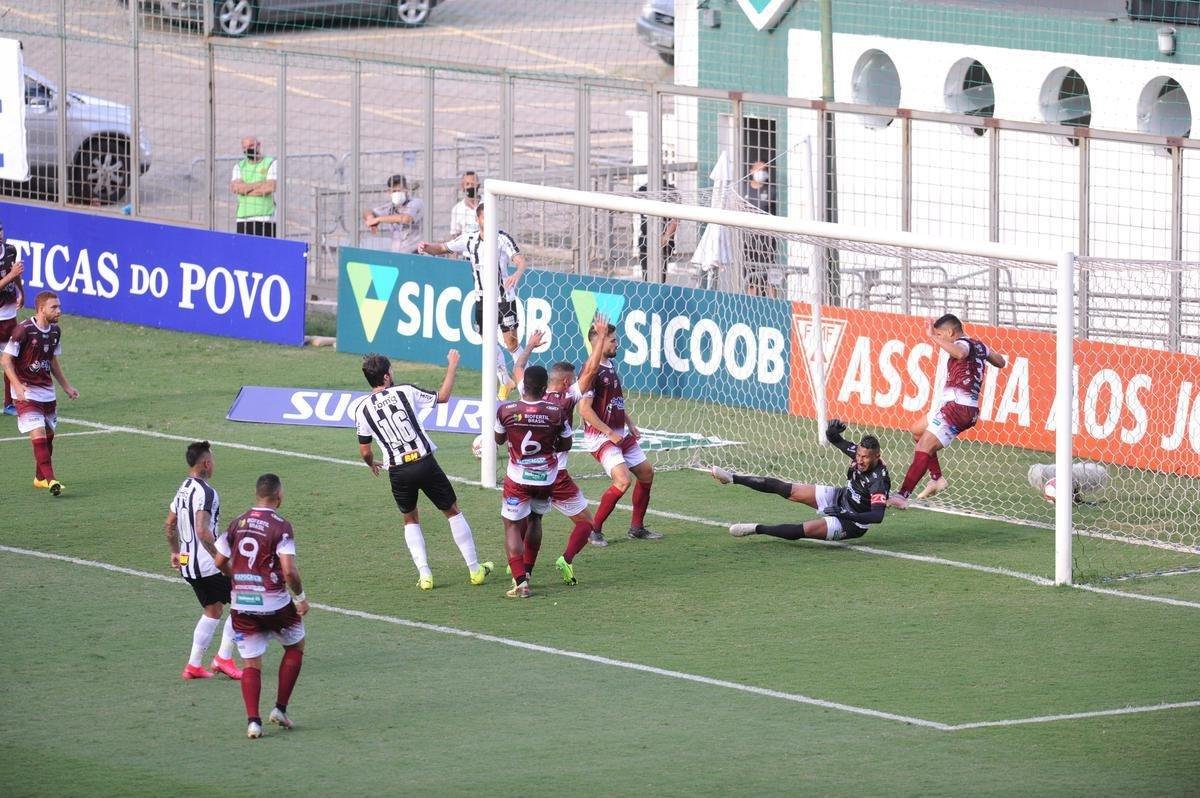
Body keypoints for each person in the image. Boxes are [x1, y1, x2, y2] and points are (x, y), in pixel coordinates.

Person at [355, 350, 492, 590]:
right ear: (386, 376)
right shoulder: (405, 391)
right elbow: (444, 396)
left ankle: (425, 575)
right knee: (452, 512)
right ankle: (474, 569)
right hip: (424, 462)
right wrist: (452, 365)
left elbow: (365, 451)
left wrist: (371, 464)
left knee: (410, 519)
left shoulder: (362, 409)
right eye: (392, 371)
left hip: (398, 470)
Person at [507, 314, 609, 586]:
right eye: (572, 379)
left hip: (524, 471)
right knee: (587, 523)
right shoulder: (566, 399)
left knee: (526, 519)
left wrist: (529, 346)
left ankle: (521, 570)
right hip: (556, 473)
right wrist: (598, 338)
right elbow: (592, 371)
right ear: (566, 383)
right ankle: (566, 559)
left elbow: (518, 367)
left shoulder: (527, 392)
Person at [213, 474, 308, 739]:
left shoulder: (236, 523)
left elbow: (220, 561)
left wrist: (237, 577)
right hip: (275, 603)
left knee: (251, 664)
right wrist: (300, 598)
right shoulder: (281, 526)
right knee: (295, 646)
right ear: (279, 496)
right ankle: (280, 708)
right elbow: (289, 571)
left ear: (257, 494)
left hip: (242, 604)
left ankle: (253, 722)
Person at [495, 365, 595, 598]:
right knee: (536, 519)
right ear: (543, 387)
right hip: (547, 477)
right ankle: (527, 571)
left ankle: (520, 581)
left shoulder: (506, 409)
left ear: (524, 387)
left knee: (511, 525)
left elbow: (499, 439)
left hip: (518, 477)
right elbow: (566, 444)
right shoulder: (556, 411)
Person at [888, 314, 1007, 508]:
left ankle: (901, 496)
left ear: (950, 332)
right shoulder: (980, 345)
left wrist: (932, 337)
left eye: (941, 334)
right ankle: (936, 479)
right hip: (955, 405)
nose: (939, 338)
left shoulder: (963, 344)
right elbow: (1001, 362)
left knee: (923, 447)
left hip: (957, 407)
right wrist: (984, 353)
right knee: (917, 431)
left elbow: (960, 353)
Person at [714, 419, 891, 542]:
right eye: (859, 455)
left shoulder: (878, 481)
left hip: (853, 522)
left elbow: (877, 515)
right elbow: (836, 440)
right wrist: (831, 431)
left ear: (877, 457)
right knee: (787, 489)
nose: (860, 460)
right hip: (840, 497)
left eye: (865, 458)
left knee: (804, 530)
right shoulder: (858, 454)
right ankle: (731, 478)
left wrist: (847, 514)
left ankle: (756, 528)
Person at [418, 203, 528, 397]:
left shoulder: (502, 239)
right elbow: (443, 247)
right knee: (488, 342)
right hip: (482, 299)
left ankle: (525, 386)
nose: (489, 220)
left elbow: (520, 260)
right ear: (478, 220)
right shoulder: (469, 239)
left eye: (492, 216)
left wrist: (517, 273)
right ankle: (506, 380)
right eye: (485, 217)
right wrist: (427, 247)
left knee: (510, 343)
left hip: (504, 298)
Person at [164, 441, 242, 681]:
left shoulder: (183, 488)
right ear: (206, 463)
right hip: (208, 565)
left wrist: (175, 551)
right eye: (213, 459)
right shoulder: (206, 492)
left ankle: (194, 665)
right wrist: (220, 557)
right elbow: (202, 530)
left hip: (188, 565)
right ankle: (223, 658)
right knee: (245, 604)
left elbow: (169, 525)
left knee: (213, 609)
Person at [579, 320, 661, 546]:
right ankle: (594, 529)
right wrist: (609, 432)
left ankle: (637, 528)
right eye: (613, 340)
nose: (618, 344)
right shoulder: (591, 370)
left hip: (618, 434)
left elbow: (615, 401)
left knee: (646, 473)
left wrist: (630, 424)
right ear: (600, 341)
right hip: (600, 437)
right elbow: (584, 409)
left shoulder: (609, 365)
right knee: (623, 480)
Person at [1, 291, 79, 495]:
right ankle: (52, 480)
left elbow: (52, 360)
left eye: (59, 307)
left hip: (47, 392)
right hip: (25, 392)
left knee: (49, 436)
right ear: (41, 309)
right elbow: (6, 360)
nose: (59, 311)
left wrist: (66, 386)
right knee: (39, 433)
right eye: (54, 307)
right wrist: (16, 385)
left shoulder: (55, 332)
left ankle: (39, 478)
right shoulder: (22, 331)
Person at [363, 174, 425, 254]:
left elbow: (406, 218)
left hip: (416, 254)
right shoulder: (390, 208)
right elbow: (367, 211)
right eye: (394, 191)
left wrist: (378, 219)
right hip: (397, 255)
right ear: (389, 192)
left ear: (406, 190)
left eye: (399, 190)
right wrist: (371, 219)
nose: (397, 193)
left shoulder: (415, 203)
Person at [229, 135, 277, 237]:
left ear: (258, 145)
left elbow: (270, 187)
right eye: (245, 147)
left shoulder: (270, 163)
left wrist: (245, 190)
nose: (248, 149)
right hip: (243, 218)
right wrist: (260, 184)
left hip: (265, 217)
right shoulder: (239, 166)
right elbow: (237, 188)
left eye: (251, 146)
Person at [0, 221, 25, 415]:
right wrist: (11, 276)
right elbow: (11, 274)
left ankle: (9, 403)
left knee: (11, 358)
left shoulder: (10, 250)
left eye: (1, 229)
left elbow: (14, 273)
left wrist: (21, 292)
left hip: (8, 316)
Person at [743, 160, 777, 298]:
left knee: (769, 275)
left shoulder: (771, 191)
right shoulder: (743, 190)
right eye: (759, 170)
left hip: (767, 240)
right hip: (749, 239)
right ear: (751, 171)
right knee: (751, 274)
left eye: (764, 170)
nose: (761, 173)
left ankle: (773, 305)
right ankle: (751, 304)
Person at [636, 181, 678, 282]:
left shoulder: (670, 190)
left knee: (660, 276)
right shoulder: (643, 189)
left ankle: (657, 295)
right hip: (645, 240)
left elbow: (676, 218)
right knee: (646, 275)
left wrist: (667, 236)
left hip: (663, 242)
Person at [448, 170, 481, 239]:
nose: (470, 187)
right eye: (467, 184)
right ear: (462, 187)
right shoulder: (457, 209)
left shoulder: (487, 203)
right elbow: (455, 235)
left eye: (473, 184)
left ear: (478, 185)